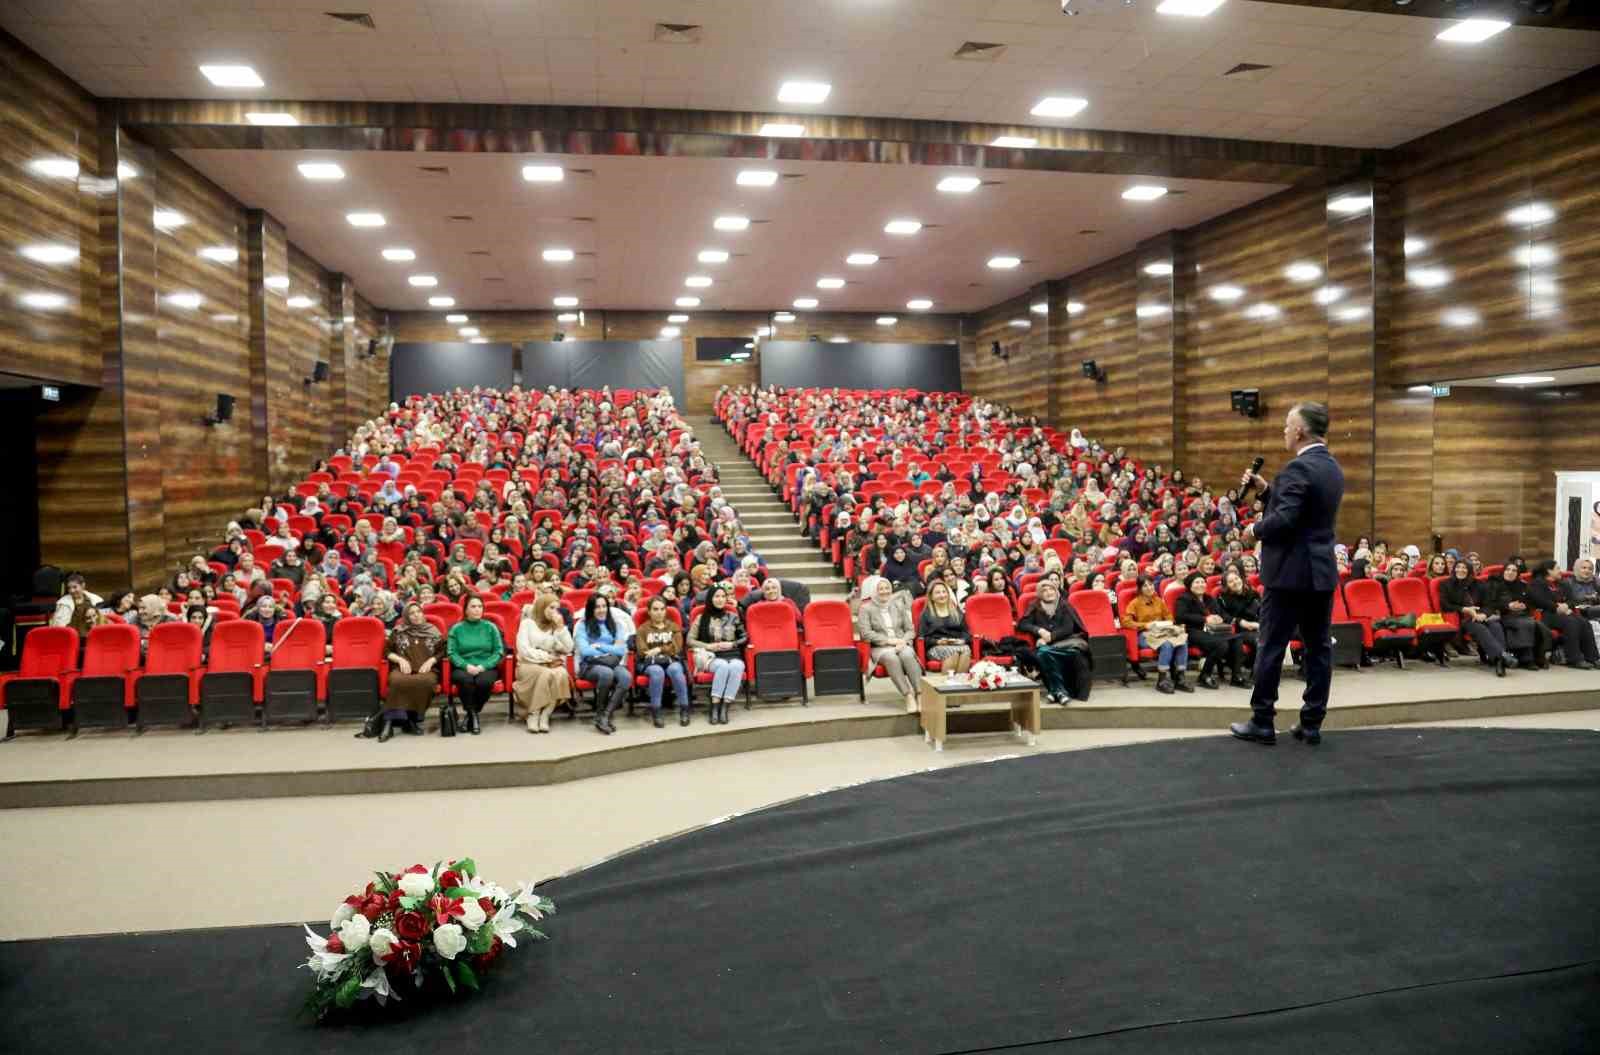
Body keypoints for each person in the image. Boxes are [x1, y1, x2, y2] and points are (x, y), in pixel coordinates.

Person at [1232, 402, 1344, 746]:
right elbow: (1303, 511)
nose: (1283, 430)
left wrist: (1254, 529)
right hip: (1320, 572)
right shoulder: (1332, 468)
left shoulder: (1297, 469)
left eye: (1286, 425)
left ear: (1299, 431)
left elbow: (1286, 520)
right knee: (1319, 648)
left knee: (1271, 646)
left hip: (1288, 575)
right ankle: (1311, 723)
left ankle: (1262, 720)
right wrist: (1267, 491)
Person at [372, 602, 444, 740]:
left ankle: (411, 719)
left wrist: (431, 660)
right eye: (412, 613)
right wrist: (400, 660)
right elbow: (387, 652)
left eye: (418, 611)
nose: (416, 615)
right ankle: (389, 722)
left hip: (426, 669)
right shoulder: (398, 631)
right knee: (397, 681)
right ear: (406, 616)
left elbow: (442, 651)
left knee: (426, 682)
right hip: (402, 668)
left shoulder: (433, 630)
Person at [1015, 579, 1091, 704]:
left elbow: (1068, 628)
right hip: (1047, 646)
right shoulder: (1035, 605)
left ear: (1056, 591)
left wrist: (1051, 637)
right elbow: (1023, 624)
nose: (1049, 592)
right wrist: (1039, 630)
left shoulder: (1064, 605)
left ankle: (1054, 691)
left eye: (1051, 589)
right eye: (1044, 590)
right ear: (1039, 594)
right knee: (1043, 653)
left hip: (1068, 643)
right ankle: (1060, 692)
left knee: (1043, 652)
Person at [856, 575, 923, 713]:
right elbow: (866, 634)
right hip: (880, 648)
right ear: (874, 591)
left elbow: (910, 629)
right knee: (891, 657)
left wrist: (903, 641)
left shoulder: (898, 605)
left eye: (887, 588)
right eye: (880, 589)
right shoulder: (866, 608)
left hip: (901, 643)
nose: (884, 591)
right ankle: (908, 695)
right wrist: (889, 641)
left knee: (908, 654)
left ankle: (920, 694)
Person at [513, 593, 574, 734]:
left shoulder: (555, 627)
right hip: (528, 664)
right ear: (541, 607)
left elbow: (568, 648)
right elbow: (524, 650)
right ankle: (533, 714)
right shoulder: (527, 624)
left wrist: (561, 629)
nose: (554, 612)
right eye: (551, 608)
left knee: (561, 673)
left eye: (557, 609)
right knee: (546, 673)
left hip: (550, 664)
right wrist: (546, 657)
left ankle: (546, 714)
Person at [1438, 561, 1511, 676]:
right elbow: (1445, 605)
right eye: (1458, 567)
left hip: (1481, 616)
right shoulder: (1446, 584)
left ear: (1469, 571)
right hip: (1463, 618)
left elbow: (1489, 604)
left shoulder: (1479, 584)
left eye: (1464, 568)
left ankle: (1499, 661)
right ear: (1454, 569)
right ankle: (1502, 655)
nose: (1461, 570)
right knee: (1479, 628)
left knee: (1496, 626)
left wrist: (1484, 614)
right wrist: (1465, 609)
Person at [1173, 572, 1242, 690]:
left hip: (1213, 631)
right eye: (1197, 582)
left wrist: (1221, 618)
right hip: (1193, 631)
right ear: (1190, 585)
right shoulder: (1184, 598)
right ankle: (1205, 675)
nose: (1200, 585)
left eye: (1203, 582)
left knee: (1237, 640)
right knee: (1222, 645)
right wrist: (1205, 619)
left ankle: (1236, 676)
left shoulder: (1209, 598)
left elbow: (1222, 614)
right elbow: (1180, 616)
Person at [689, 586, 747, 725]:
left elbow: (745, 637)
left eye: (723, 596)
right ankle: (715, 706)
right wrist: (708, 646)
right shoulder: (701, 618)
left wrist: (732, 644)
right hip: (711, 656)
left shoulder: (733, 617)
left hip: (732, 653)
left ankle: (725, 706)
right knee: (723, 666)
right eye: (716, 596)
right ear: (710, 598)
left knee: (737, 666)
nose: (720, 599)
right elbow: (690, 640)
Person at [574, 593, 631, 735]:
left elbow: (621, 649)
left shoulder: (616, 624)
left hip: (611, 662)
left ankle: (604, 715)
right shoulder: (582, 625)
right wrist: (609, 650)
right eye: (597, 607)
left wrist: (599, 646)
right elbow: (585, 651)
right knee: (606, 673)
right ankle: (600, 713)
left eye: (604, 606)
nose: (601, 610)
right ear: (591, 609)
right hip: (589, 665)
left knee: (626, 677)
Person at [446, 596, 504, 735]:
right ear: (465, 610)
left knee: (484, 682)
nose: (477, 609)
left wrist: (483, 666)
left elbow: (499, 652)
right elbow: (451, 653)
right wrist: (466, 666)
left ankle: (471, 715)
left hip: (486, 666)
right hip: (463, 666)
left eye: (480, 606)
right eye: (473, 606)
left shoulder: (490, 627)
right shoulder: (456, 629)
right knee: (465, 680)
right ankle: (474, 717)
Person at [1123, 577, 1191, 694]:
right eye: (1145, 586)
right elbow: (1126, 622)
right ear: (1140, 589)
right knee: (1167, 644)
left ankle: (1180, 677)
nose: (1149, 588)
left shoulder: (1158, 601)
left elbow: (1169, 616)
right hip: (1145, 634)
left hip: (1162, 631)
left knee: (1182, 641)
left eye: (1150, 585)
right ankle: (1162, 679)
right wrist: (1146, 625)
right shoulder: (1135, 603)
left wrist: (1168, 623)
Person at [1527, 560, 1598, 670]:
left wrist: (1566, 606)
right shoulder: (1537, 583)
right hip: (1545, 614)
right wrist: (1557, 607)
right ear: (1549, 571)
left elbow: (1572, 600)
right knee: (1571, 622)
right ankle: (1575, 659)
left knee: (1584, 622)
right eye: (1557, 568)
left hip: (1564, 613)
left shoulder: (1563, 583)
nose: (1560, 571)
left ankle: (1593, 658)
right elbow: (1539, 600)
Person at [635, 596, 690, 727]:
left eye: (662, 609)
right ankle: (656, 710)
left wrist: (658, 649)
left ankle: (684, 708)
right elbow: (643, 652)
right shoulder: (642, 629)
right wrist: (666, 649)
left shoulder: (673, 626)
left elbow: (677, 646)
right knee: (657, 671)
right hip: (651, 664)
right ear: (649, 611)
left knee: (676, 670)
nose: (659, 612)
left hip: (671, 660)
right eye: (655, 609)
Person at [1482, 562, 1550, 669]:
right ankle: (1527, 659)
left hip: (1522, 615)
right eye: (1508, 570)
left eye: (1514, 571)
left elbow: (1533, 601)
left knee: (1540, 626)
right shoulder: (1494, 585)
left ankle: (1539, 656)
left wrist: (1524, 605)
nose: (1510, 572)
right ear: (1503, 571)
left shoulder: (1523, 586)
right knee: (1526, 624)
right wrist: (1508, 605)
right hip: (1503, 616)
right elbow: (1490, 603)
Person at [1215, 568, 1261, 687]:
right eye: (1231, 581)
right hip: (1238, 630)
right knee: (1260, 640)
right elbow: (1224, 617)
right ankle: (1255, 676)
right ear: (1226, 586)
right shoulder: (1223, 599)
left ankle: (1257, 675)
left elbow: (1263, 612)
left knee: (1266, 638)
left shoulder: (1253, 594)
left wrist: (1260, 624)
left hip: (1257, 627)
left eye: (1236, 578)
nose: (1235, 582)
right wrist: (1241, 622)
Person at [916, 579, 972, 674]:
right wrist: (938, 641)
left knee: (966, 650)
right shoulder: (926, 614)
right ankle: (947, 685)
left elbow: (966, 632)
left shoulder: (956, 611)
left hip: (957, 644)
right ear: (931, 596)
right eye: (937, 593)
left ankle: (959, 684)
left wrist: (962, 640)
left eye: (944, 592)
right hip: (936, 647)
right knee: (952, 653)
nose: (942, 595)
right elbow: (922, 637)